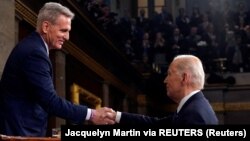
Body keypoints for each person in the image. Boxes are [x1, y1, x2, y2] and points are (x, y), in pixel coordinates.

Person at [0, 2, 114, 137]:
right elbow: (51, 102)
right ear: (46, 27)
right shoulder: (35, 53)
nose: (67, 37)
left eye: (68, 31)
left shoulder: (35, 47)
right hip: (19, 134)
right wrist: (92, 114)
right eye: (63, 30)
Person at [110, 54, 218, 125]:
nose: (165, 80)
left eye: (169, 74)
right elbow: (156, 125)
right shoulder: (192, 107)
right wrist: (115, 116)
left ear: (184, 78)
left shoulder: (194, 115)